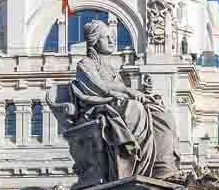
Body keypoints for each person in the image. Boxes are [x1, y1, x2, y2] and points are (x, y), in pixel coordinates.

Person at [72, 19, 180, 180]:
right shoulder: (85, 64)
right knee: (134, 108)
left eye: (112, 36)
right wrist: (127, 90)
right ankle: (135, 163)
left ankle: (162, 167)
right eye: (106, 37)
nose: (112, 40)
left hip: (117, 105)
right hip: (99, 108)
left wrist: (144, 93)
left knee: (161, 114)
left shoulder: (110, 68)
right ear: (93, 41)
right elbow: (98, 87)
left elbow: (122, 91)